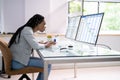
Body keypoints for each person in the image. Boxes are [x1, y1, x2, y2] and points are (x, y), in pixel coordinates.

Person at [8, 14, 55, 80]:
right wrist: (46, 45)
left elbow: (31, 42)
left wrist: (41, 43)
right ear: (38, 23)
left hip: (18, 60)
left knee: (45, 61)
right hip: (18, 63)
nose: (45, 26)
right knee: (47, 64)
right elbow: (35, 46)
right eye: (43, 24)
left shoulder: (27, 29)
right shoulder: (27, 30)